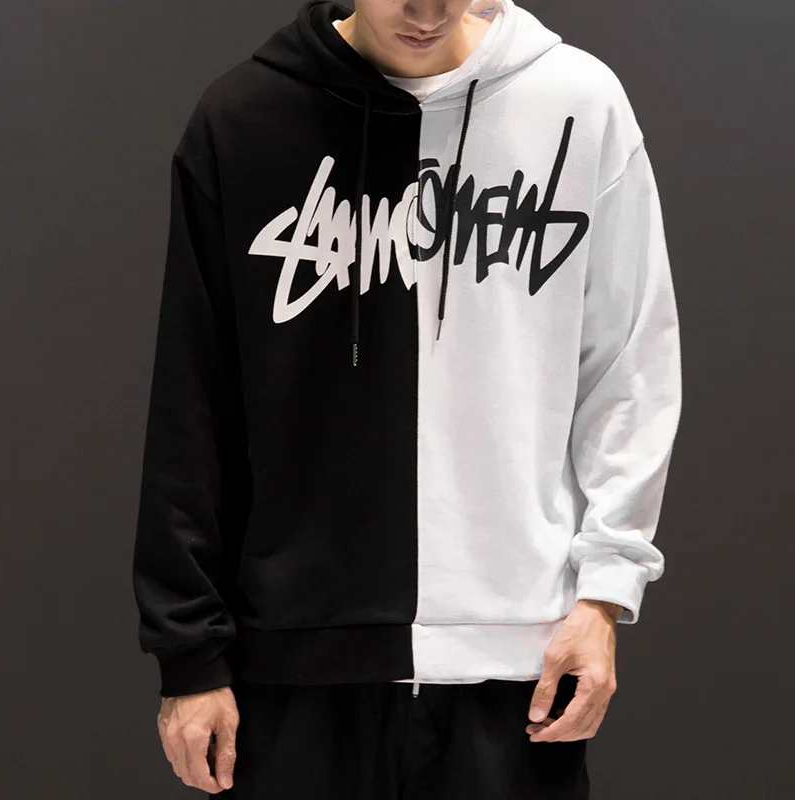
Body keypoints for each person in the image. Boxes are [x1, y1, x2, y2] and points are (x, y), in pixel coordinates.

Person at [131, 0, 683, 797]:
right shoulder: (244, 121)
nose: (428, 12)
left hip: (519, 662)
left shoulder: (576, 104)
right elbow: (193, 401)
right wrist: (189, 653)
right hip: (299, 659)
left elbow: (630, 369)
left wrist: (603, 597)